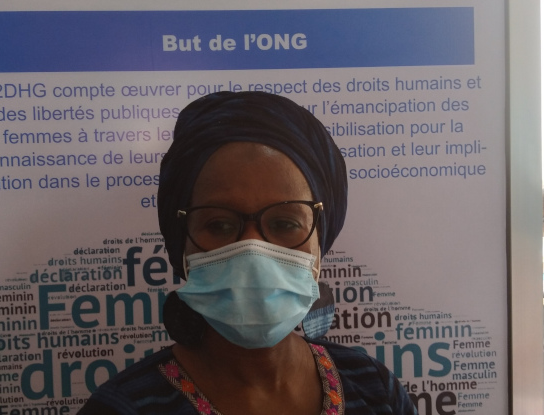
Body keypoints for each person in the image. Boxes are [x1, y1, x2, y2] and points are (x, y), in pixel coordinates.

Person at [77, 91, 417, 415]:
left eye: (284, 223)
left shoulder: (375, 388)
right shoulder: (123, 407)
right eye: (219, 225)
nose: (253, 251)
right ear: (182, 244)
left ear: (320, 241)